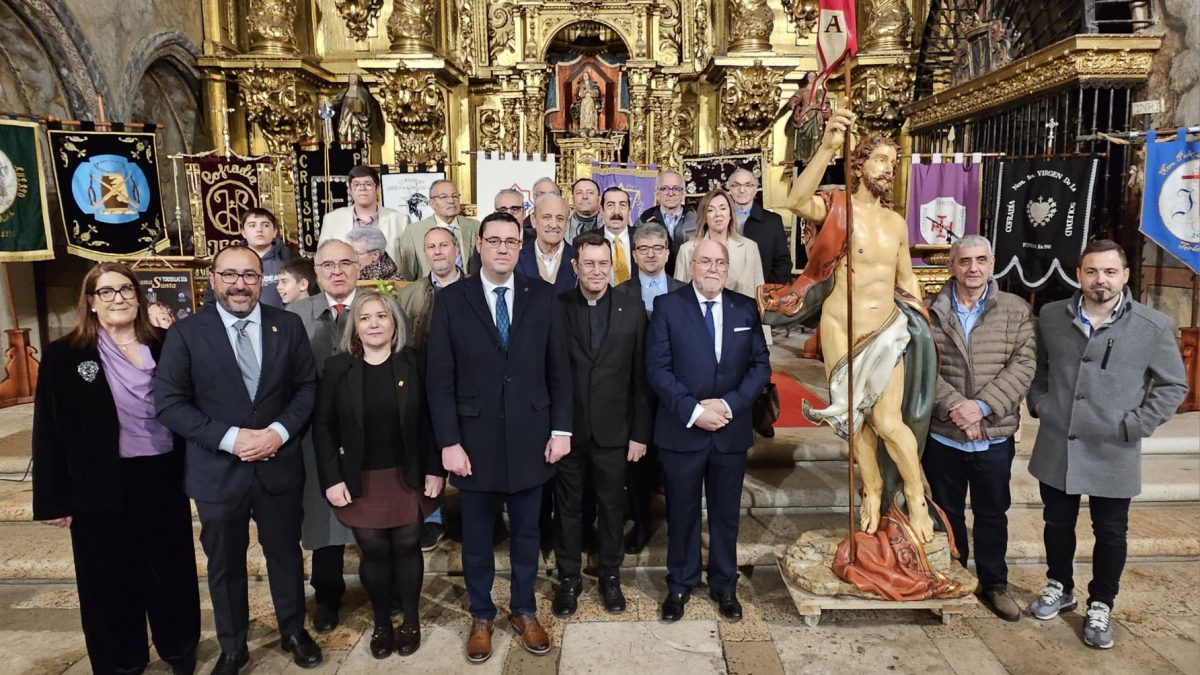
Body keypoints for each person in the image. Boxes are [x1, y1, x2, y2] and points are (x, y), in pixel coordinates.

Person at [155, 246, 321, 673]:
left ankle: (293, 630)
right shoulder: (186, 333)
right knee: (225, 563)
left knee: (284, 554)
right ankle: (233, 646)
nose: (239, 284)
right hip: (218, 470)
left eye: (249, 275)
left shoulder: (287, 325)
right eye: (229, 275)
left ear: (261, 280)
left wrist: (278, 432)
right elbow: (170, 403)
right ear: (213, 279)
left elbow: (307, 387)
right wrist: (231, 439)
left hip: (278, 463)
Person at [776, 108, 938, 543]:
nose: (888, 168)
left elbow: (907, 280)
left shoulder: (896, 223)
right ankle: (872, 488)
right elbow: (795, 201)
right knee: (856, 420)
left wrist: (922, 327)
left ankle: (916, 497)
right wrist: (828, 145)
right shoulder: (838, 209)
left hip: (886, 329)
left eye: (893, 162)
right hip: (841, 328)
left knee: (888, 422)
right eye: (881, 160)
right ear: (860, 165)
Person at [33, 263, 200, 675]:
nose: (118, 298)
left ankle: (179, 649)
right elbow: (48, 429)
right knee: (107, 579)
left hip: (162, 476)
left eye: (125, 289)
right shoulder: (65, 354)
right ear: (91, 302)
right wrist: (53, 499)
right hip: (98, 483)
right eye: (105, 292)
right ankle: (120, 661)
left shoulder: (166, 344)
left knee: (171, 570)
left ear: (138, 297)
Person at [1026, 239, 1187, 649]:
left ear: (1125, 275)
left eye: (1110, 271)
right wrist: (1042, 403)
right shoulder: (1052, 316)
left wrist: (1136, 425)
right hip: (1058, 443)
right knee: (1056, 523)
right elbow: (1039, 368)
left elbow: (1173, 385)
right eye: (1093, 271)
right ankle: (1060, 585)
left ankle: (1101, 603)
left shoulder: (1152, 326)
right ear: (1079, 275)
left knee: (1111, 532)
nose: (1101, 279)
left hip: (1114, 448)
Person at [426, 211, 572, 663]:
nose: (503, 248)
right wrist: (449, 442)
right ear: (479, 245)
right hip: (474, 441)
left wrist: (561, 429)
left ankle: (524, 609)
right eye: (494, 240)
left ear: (520, 247)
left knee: (528, 533)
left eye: (511, 241)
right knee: (477, 539)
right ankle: (482, 615)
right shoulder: (452, 300)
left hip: (532, 435)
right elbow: (439, 379)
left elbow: (559, 370)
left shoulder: (543, 296)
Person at [313, 289, 446, 659]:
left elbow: (432, 421)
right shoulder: (338, 369)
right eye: (365, 317)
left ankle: (411, 622)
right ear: (355, 327)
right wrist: (331, 478)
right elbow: (323, 428)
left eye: (382, 316)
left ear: (395, 323)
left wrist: (435, 468)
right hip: (361, 480)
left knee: (407, 547)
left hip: (409, 475)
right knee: (373, 552)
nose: (374, 324)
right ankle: (382, 623)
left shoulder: (415, 362)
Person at [647, 239, 771, 623]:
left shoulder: (745, 308)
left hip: (729, 431)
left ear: (728, 268)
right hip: (683, 431)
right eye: (705, 262)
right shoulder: (668, 306)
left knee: (725, 515)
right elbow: (657, 368)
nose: (713, 268)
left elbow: (761, 366)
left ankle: (724, 585)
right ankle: (680, 584)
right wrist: (695, 410)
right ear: (692, 266)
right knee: (682, 512)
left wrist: (730, 405)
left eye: (720, 262)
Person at [923, 235, 1035, 622]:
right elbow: (921, 366)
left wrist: (981, 408)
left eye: (981, 260)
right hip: (945, 434)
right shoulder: (929, 311)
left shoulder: (1015, 309)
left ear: (992, 263)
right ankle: (954, 578)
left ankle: (994, 584)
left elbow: (1023, 365)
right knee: (947, 512)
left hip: (993, 434)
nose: (973, 268)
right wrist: (956, 407)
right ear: (951, 266)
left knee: (992, 513)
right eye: (965, 261)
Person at [553, 232, 651, 617]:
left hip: (615, 430)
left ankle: (611, 575)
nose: (597, 271)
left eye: (603, 264)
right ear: (575, 266)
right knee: (568, 509)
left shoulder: (633, 309)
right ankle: (569, 577)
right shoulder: (556, 306)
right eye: (589, 264)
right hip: (568, 430)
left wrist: (639, 434)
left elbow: (641, 378)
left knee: (612, 508)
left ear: (613, 266)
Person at [287, 240, 362, 634]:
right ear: (316, 272)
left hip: (370, 431)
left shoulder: (379, 308)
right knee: (324, 516)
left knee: (375, 510)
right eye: (328, 265)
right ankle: (328, 594)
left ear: (358, 268)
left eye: (345, 263)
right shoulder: (295, 316)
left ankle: (385, 588)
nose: (337, 271)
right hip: (315, 433)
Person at [614, 222, 685, 553]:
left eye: (658, 248)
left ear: (668, 253)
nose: (651, 254)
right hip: (634, 392)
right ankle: (641, 524)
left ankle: (678, 527)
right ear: (634, 254)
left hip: (675, 393)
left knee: (675, 464)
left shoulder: (684, 292)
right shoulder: (619, 293)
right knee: (637, 465)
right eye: (644, 249)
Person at [395, 226, 464, 550]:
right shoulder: (409, 294)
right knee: (424, 449)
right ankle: (431, 516)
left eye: (444, 245)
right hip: (421, 380)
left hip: (466, 383)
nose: (438, 252)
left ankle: (475, 513)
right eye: (431, 247)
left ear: (456, 250)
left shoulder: (474, 288)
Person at [674, 189, 765, 298]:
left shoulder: (750, 248)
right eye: (711, 210)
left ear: (730, 214)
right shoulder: (686, 250)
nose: (718, 214)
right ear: (705, 217)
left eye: (723, 208)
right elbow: (678, 296)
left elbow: (760, 294)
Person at [319, 165, 406, 263]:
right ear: (350, 190)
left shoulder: (399, 220)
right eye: (356, 184)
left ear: (377, 189)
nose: (362, 189)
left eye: (368, 184)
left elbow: (408, 261)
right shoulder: (332, 219)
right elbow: (322, 258)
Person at [396, 178, 480, 280]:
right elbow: (407, 275)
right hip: (430, 289)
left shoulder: (475, 226)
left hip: (469, 288)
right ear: (432, 203)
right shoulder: (413, 232)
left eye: (455, 196)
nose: (451, 201)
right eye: (444, 197)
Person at [727, 168, 793, 284]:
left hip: (761, 289)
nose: (742, 190)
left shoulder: (772, 221)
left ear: (756, 189)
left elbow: (782, 262)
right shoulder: (722, 218)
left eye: (748, 185)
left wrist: (768, 289)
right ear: (730, 188)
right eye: (736, 185)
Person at [636, 170, 697, 276]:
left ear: (683, 193)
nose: (670, 193)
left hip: (688, 278)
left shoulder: (696, 220)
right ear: (657, 194)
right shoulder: (644, 220)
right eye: (664, 189)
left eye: (676, 189)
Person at [516, 193, 577, 294]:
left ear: (567, 224)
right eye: (547, 217)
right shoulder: (517, 260)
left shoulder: (578, 259)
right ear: (534, 220)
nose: (553, 225)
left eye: (560, 219)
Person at [599, 187, 638, 286]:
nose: (616, 212)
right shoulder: (587, 240)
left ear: (629, 210)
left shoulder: (643, 238)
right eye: (610, 205)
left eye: (622, 205)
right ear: (601, 210)